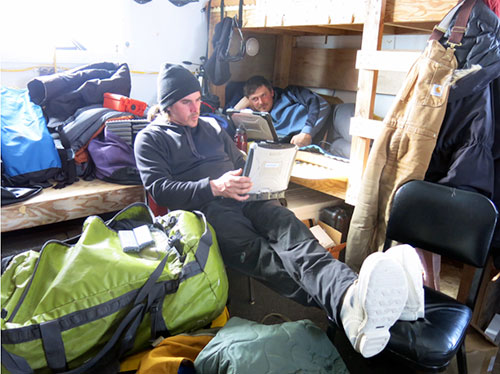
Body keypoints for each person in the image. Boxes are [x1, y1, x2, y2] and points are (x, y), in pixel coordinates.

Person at [134, 64, 424, 358]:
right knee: (263, 254)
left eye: (197, 99)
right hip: (207, 211)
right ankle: (353, 300)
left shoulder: (211, 126)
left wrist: (257, 171)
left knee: (293, 233)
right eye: (187, 102)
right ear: (168, 104)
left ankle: (352, 298)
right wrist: (214, 187)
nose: (196, 108)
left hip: (247, 196)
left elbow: (238, 159)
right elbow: (160, 189)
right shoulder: (150, 138)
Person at [234, 75, 330, 147]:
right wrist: (236, 109)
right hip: (306, 145)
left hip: (331, 121)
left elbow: (321, 104)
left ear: (271, 92)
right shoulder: (254, 118)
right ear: (249, 101)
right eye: (255, 99)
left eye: (264, 95)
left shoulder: (290, 93)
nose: (261, 102)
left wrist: (307, 132)